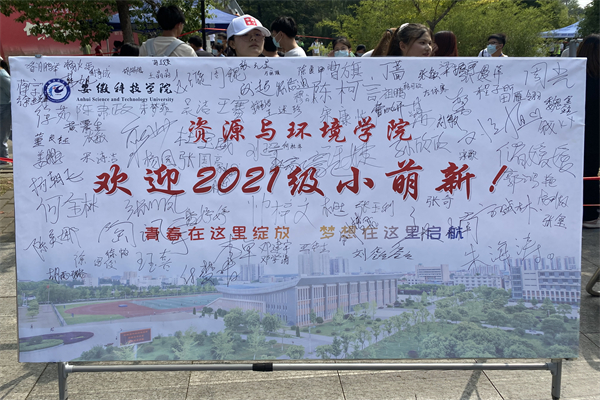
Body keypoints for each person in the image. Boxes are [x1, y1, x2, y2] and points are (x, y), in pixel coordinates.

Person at [578, 35, 600, 228]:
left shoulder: (574, 76)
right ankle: (590, 215)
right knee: (591, 172)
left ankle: (585, 212)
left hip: (575, 132)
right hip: (595, 133)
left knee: (581, 172)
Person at [0, 57, 10, 166]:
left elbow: (12, 92)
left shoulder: (2, 76)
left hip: (4, 108)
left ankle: (4, 160)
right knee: (8, 134)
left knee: (2, 136)